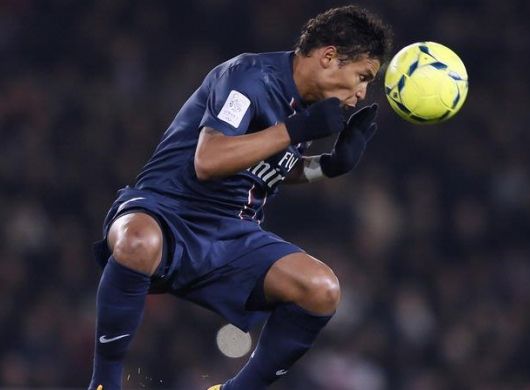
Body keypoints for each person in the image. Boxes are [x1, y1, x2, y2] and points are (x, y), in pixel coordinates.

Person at [87, 5, 393, 389]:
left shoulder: (310, 108)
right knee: (137, 241)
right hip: (165, 212)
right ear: (329, 56)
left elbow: (269, 166)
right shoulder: (249, 77)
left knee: (321, 289)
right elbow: (209, 160)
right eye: (362, 76)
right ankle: (103, 383)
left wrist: (328, 166)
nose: (363, 92)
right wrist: (295, 129)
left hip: (233, 234)